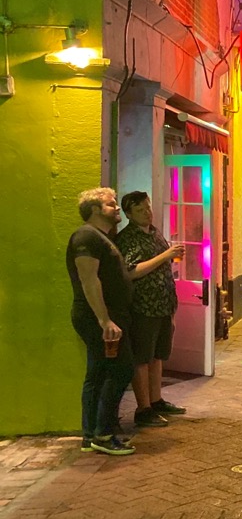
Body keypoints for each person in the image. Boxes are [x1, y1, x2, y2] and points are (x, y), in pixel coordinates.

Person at [68, 188, 137, 455]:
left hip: (107, 316)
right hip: (98, 318)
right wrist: (104, 320)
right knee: (120, 370)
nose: (117, 208)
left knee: (97, 374)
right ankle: (104, 434)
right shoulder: (86, 236)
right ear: (95, 210)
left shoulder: (101, 237)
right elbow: (89, 279)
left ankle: (91, 434)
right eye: (111, 205)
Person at [114, 191, 186, 429]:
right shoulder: (128, 238)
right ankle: (143, 408)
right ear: (128, 214)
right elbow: (131, 271)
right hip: (144, 306)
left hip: (163, 304)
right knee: (142, 357)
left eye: (147, 207)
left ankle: (156, 400)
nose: (147, 213)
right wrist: (166, 255)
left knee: (158, 354)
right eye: (140, 210)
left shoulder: (154, 232)